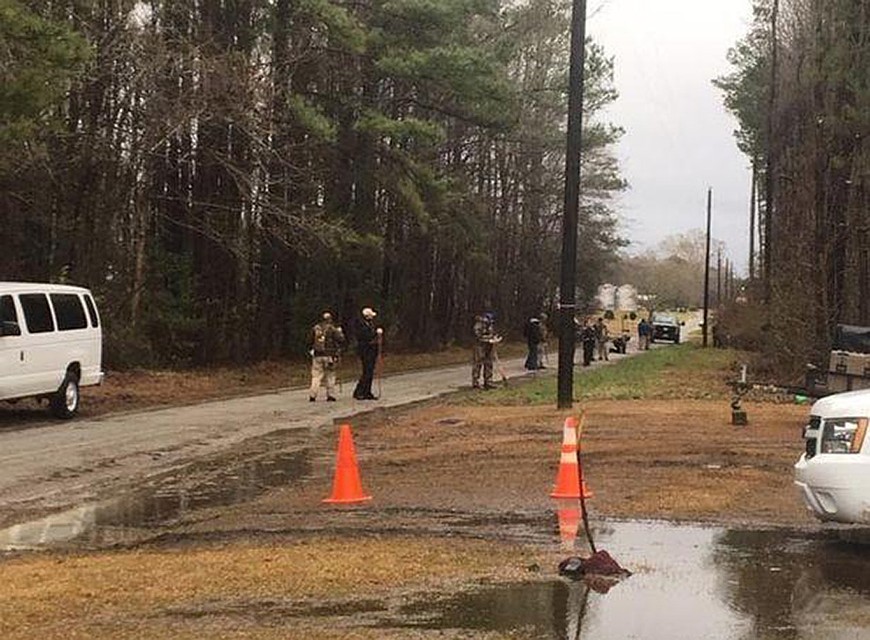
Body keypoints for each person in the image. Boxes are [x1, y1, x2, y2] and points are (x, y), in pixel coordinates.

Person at [309, 311, 345, 402]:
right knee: (330, 375)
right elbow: (341, 339)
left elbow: (309, 340)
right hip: (329, 355)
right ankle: (330, 395)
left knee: (316, 376)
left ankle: (313, 395)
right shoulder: (332, 329)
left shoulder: (316, 328)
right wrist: (340, 332)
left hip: (317, 355)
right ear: (330, 319)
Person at [353, 307, 383, 400]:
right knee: (366, 371)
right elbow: (365, 336)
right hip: (365, 351)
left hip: (371, 350)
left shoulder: (370, 324)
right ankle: (359, 391)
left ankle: (367, 392)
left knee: (369, 372)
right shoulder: (361, 325)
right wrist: (376, 333)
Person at [472, 312, 499, 389]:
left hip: (489, 346)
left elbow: (492, 333)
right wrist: (487, 339)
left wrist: (494, 338)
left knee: (489, 363)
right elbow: (477, 336)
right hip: (479, 346)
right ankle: (475, 382)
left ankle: (488, 381)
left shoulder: (490, 325)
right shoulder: (478, 325)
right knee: (478, 363)